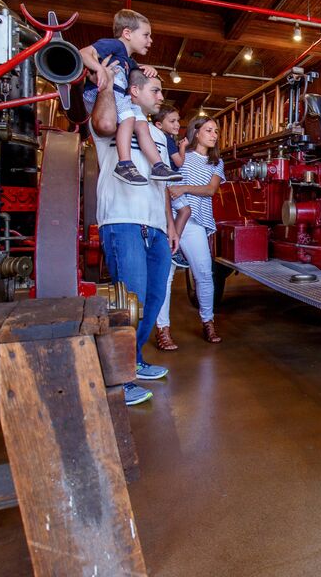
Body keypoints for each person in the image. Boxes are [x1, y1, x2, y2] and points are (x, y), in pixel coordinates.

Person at [92, 69, 179, 405]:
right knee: (129, 302)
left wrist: (170, 225)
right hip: (122, 219)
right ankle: (117, 376)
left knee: (154, 299)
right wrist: (107, 80)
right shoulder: (111, 122)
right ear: (135, 90)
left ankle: (134, 359)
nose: (160, 97)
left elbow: (163, 182)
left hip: (156, 224)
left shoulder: (154, 134)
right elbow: (100, 123)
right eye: (155, 91)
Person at [79, 9, 181, 186]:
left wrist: (147, 67)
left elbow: (135, 71)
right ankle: (124, 163)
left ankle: (158, 165)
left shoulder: (128, 60)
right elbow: (84, 53)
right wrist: (100, 69)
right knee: (129, 118)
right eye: (146, 35)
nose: (150, 40)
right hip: (99, 94)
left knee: (141, 123)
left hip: (120, 96)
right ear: (127, 33)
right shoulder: (114, 45)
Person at [155, 116, 226, 349]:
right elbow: (167, 184)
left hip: (196, 221)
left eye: (216, 131)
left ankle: (208, 322)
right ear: (196, 132)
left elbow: (210, 190)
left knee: (204, 274)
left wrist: (184, 188)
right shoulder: (182, 157)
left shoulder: (217, 163)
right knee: (165, 278)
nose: (214, 135)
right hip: (171, 219)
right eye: (208, 130)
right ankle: (163, 330)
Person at [153, 105, 191, 271]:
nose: (177, 124)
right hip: (169, 182)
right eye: (172, 121)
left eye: (178, 121)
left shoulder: (164, 138)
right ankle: (174, 243)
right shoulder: (166, 140)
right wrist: (183, 148)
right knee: (185, 210)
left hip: (167, 181)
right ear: (159, 125)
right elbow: (179, 163)